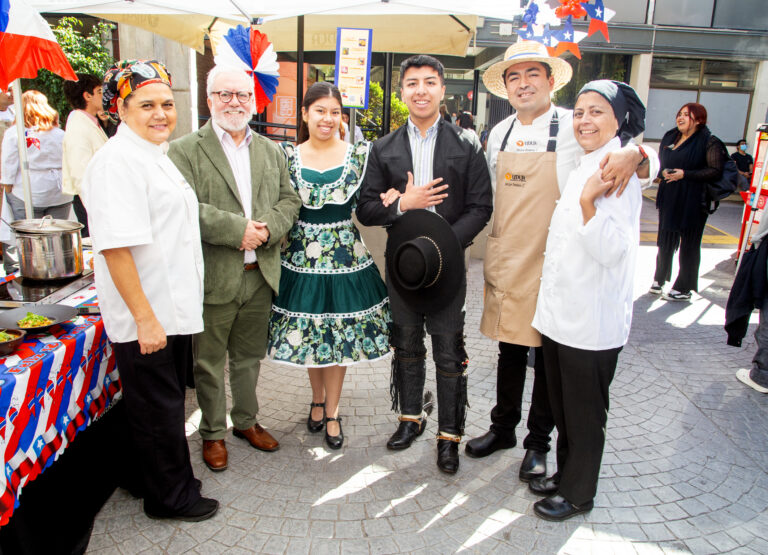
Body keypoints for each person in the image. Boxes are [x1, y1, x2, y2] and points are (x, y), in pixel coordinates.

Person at [467, 41, 657, 485]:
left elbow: (628, 154)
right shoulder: (500, 133)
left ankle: (538, 444)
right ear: (505, 88)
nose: (523, 83)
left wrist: (640, 153)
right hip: (511, 255)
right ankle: (502, 429)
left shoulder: (576, 124)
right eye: (513, 76)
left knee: (548, 360)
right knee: (509, 350)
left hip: (557, 261)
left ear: (551, 81)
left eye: (532, 74)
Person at [80, 59, 218, 522]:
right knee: (160, 408)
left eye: (166, 103)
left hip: (170, 307)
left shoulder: (153, 155)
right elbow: (116, 249)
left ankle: (147, 478)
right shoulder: (116, 163)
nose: (160, 113)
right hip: (149, 313)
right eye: (146, 105)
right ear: (120, 107)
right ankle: (170, 498)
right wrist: (144, 317)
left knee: (158, 402)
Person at [357, 54, 493, 474]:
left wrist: (444, 245)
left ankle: (449, 435)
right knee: (407, 344)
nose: (421, 90)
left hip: (449, 268)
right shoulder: (383, 148)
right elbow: (365, 208)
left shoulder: (466, 144)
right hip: (403, 268)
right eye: (412, 82)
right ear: (402, 91)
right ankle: (410, 417)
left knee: (450, 352)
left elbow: (480, 206)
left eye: (429, 82)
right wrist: (402, 204)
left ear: (441, 89)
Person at [168, 66, 301, 472]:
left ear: (254, 100)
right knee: (208, 362)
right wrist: (237, 230)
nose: (234, 102)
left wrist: (264, 232)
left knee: (247, 357)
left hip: (259, 275)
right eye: (224, 94)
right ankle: (212, 432)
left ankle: (245, 421)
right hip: (213, 275)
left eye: (242, 95)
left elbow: (289, 201)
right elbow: (184, 207)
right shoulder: (184, 149)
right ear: (209, 100)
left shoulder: (271, 149)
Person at [530, 80, 645, 521]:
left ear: (619, 121)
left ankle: (579, 494)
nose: (584, 120)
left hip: (591, 323)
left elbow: (614, 250)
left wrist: (587, 204)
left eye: (597, 112)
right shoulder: (588, 162)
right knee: (562, 406)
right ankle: (566, 473)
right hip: (562, 317)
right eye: (579, 112)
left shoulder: (617, 173)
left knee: (584, 413)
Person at [267, 82, 391, 450]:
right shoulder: (286, 156)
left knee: (339, 337)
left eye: (335, 112)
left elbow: (371, 202)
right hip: (301, 259)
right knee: (310, 333)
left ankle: (333, 410)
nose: (328, 118)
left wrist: (394, 198)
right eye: (320, 110)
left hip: (345, 259)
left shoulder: (358, 156)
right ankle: (317, 400)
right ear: (305, 114)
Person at [650, 102, 725, 302]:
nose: (680, 118)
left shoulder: (709, 141)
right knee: (665, 239)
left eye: (687, 115)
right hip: (669, 197)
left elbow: (716, 170)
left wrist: (686, 174)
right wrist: (662, 172)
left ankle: (684, 287)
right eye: (679, 114)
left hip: (693, 200)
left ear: (698, 120)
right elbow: (660, 162)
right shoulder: (671, 136)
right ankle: (659, 279)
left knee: (689, 244)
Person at [0, 90, 72, 221]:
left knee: (30, 236)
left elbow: (8, 163)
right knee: (57, 234)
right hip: (60, 191)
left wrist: (8, 185)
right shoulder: (60, 134)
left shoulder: (14, 133)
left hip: (29, 191)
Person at [62, 73, 109, 237]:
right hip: (90, 202)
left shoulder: (89, 121)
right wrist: (96, 210)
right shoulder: (78, 126)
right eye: (99, 92)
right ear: (87, 96)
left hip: (99, 198)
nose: (103, 96)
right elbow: (80, 174)